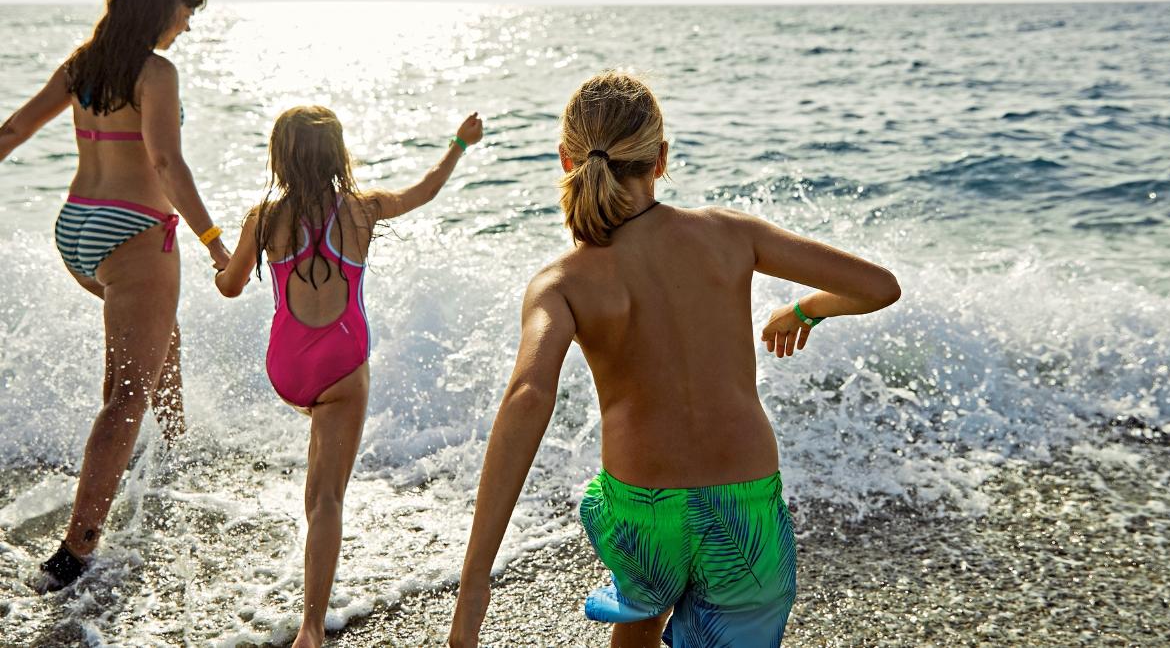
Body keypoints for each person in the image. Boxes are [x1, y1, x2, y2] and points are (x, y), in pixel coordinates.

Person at [448, 71, 901, 648]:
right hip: (745, 505)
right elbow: (879, 287)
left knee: (638, 617)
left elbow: (527, 397)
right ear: (660, 158)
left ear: (567, 160)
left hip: (645, 511)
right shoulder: (731, 235)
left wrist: (473, 585)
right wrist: (807, 311)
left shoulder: (562, 282)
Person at [214, 105, 484, 648]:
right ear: (338, 156)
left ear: (280, 158)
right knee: (327, 500)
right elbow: (424, 191)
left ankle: (309, 608)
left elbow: (229, 286)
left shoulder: (262, 218)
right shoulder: (362, 210)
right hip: (341, 365)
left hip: (288, 367)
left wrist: (222, 257)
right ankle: (311, 628)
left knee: (315, 473)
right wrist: (458, 142)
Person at [0, 0, 230, 593]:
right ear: (160, 8)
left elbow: (14, 130)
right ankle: (76, 549)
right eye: (185, 11)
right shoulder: (155, 73)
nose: (187, 25)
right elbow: (165, 162)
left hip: (77, 230)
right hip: (133, 236)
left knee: (157, 339)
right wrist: (216, 244)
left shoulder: (83, 64)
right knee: (125, 394)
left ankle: (178, 449)